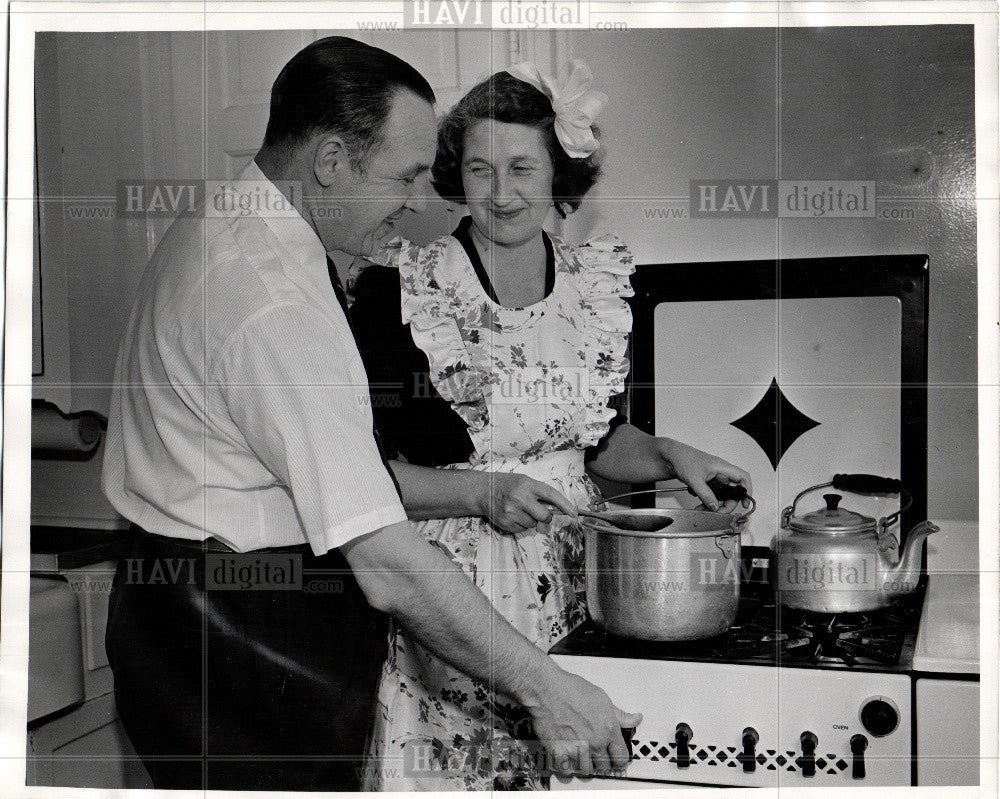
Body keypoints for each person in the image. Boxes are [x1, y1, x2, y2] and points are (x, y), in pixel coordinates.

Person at [102, 38, 641, 792]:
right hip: (240, 628)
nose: (421, 199)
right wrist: (549, 690)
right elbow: (388, 563)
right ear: (330, 161)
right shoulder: (273, 302)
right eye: (408, 172)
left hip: (180, 607)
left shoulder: (226, 224)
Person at [349, 62, 752, 790]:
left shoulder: (594, 285)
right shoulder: (401, 288)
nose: (501, 193)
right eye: (479, 168)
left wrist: (666, 452)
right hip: (460, 607)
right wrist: (482, 491)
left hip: (583, 586)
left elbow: (589, 445)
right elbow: (361, 479)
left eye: (521, 167)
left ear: (558, 170)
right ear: (453, 171)